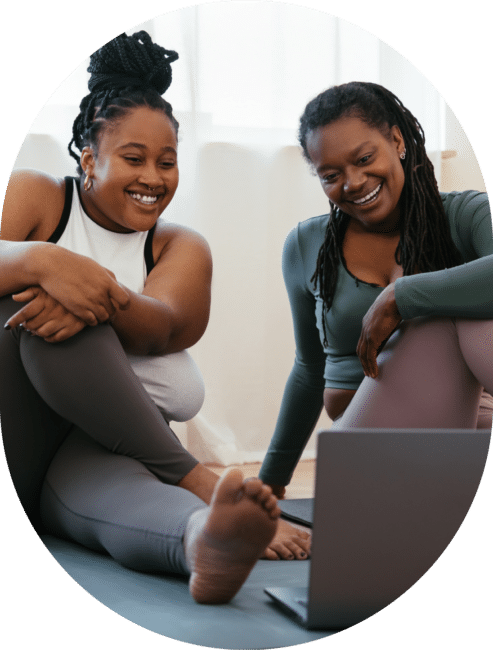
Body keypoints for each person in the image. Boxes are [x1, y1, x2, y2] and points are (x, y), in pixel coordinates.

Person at [0, 31, 310, 606]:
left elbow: (164, 327)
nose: (153, 178)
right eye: (134, 158)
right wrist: (45, 260)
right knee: (42, 317)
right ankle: (194, 477)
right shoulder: (36, 197)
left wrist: (96, 292)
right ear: (90, 160)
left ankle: (204, 539)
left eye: (166, 163)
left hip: (101, 449)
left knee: (124, 499)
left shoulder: (179, 246)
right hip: (13, 435)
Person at [259, 82, 493, 496]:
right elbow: (309, 369)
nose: (353, 182)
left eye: (364, 159)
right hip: (370, 442)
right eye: (331, 175)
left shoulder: (464, 214)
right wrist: (271, 481)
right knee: (445, 311)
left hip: (469, 423)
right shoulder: (306, 245)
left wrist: (402, 296)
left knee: (455, 307)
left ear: (397, 141)